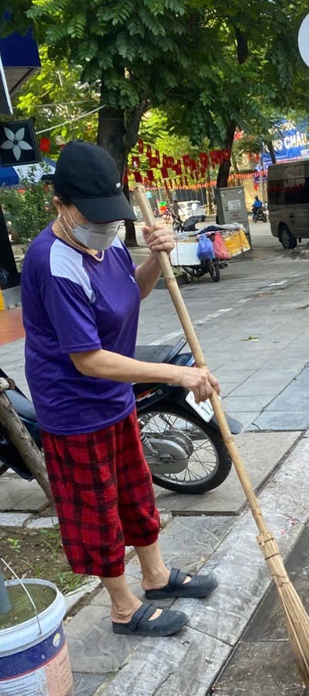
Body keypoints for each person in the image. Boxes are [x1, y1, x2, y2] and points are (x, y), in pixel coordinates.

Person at [21, 140, 220, 637]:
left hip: (115, 395)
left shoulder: (103, 242)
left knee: (134, 491)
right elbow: (87, 360)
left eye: (110, 216)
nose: (105, 225)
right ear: (60, 205)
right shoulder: (53, 261)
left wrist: (155, 258)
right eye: (92, 214)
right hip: (74, 407)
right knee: (99, 506)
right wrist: (177, 375)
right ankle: (123, 607)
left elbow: (131, 292)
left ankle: (155, 577)